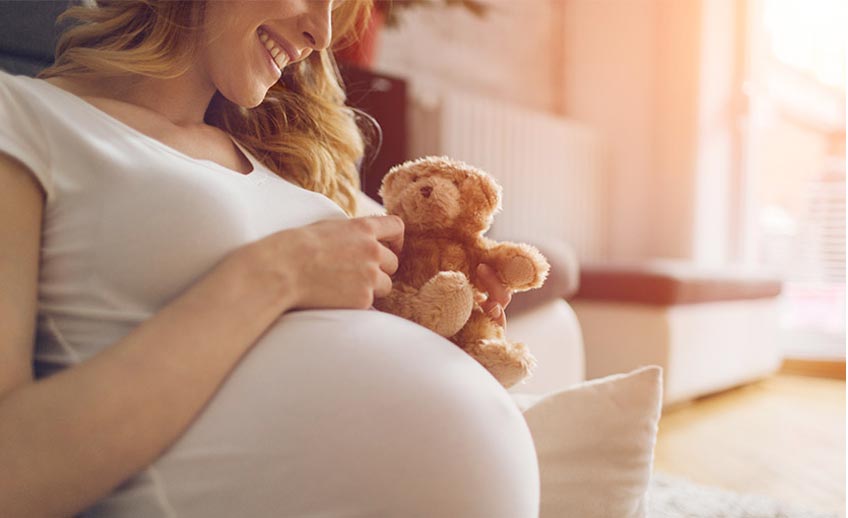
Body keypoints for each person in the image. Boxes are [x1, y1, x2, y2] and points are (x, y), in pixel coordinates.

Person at [0, 0, 541, 516]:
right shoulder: (24, 116)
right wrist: (274, 274)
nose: (322, 34)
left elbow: (432, 255)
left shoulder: (283, 157)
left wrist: (459, 302)